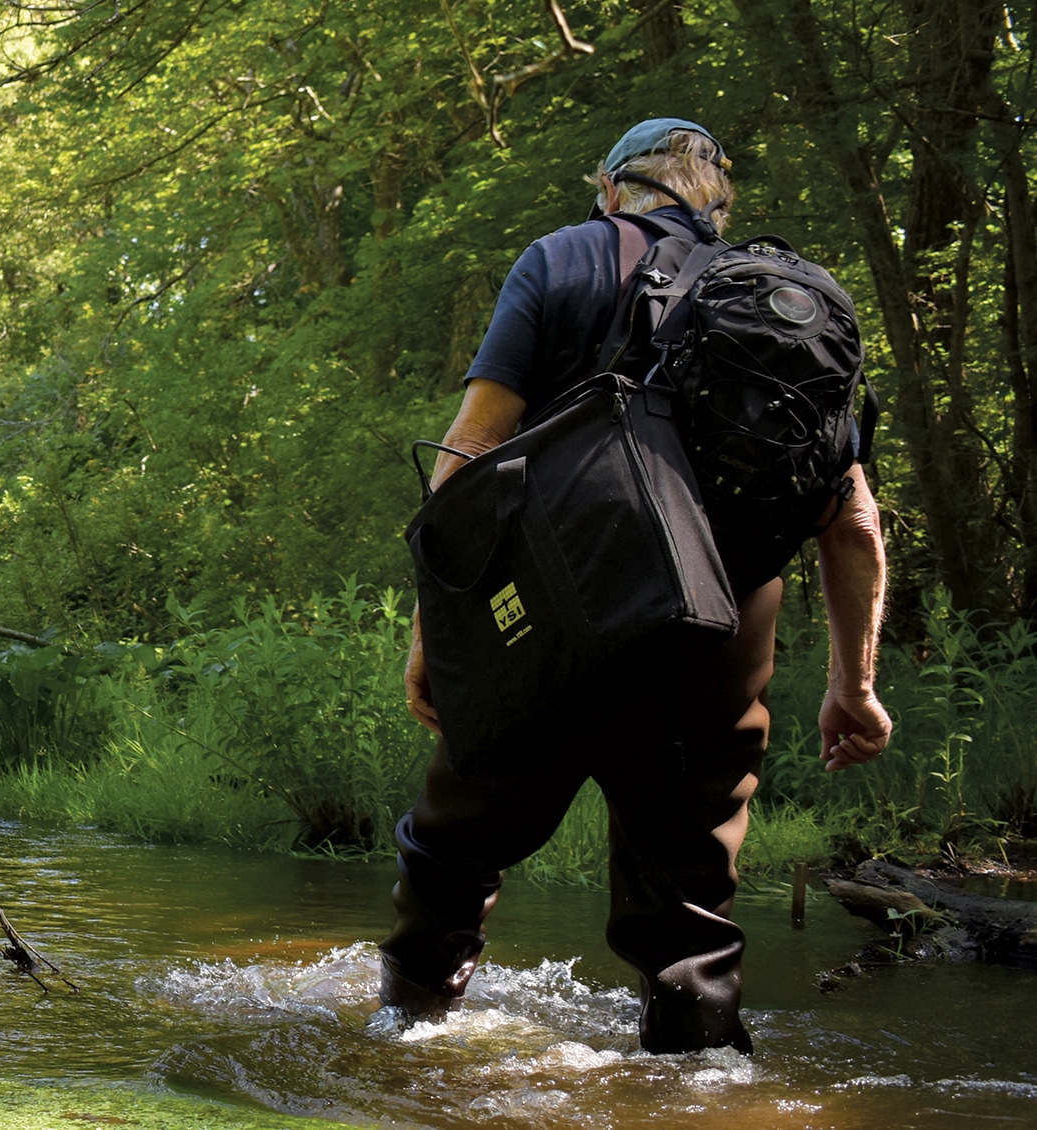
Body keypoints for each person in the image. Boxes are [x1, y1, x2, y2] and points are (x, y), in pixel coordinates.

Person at [388, 119, 893, 1053]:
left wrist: (437, 630)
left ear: (612, 190)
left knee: (452, 855)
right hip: (720, 639)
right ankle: (701, 1090)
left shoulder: (563, 258)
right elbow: (854, 523)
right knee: (690, 915)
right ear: (719, 205)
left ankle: (401, 1048)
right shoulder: (786, 307)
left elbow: (474, 445)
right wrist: (851, 688)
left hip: (543, 623)